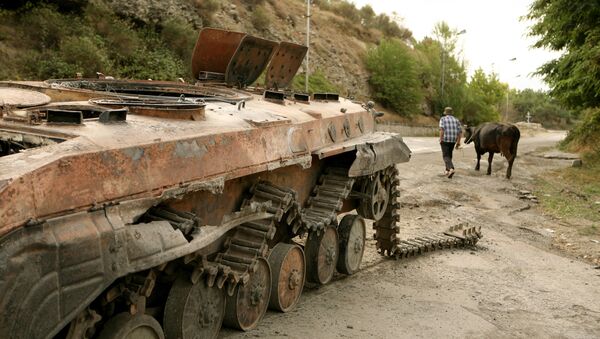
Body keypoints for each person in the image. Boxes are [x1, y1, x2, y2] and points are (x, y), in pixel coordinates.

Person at [439, 107, 462, 178]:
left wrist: (441, 139)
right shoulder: (456, 120)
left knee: (445, 156)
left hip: (445, 140)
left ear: (445, 113)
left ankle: (451, 169)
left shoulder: (443, 119)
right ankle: (447, 170)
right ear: (451, 113)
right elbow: (460, 132)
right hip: (453, 140)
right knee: (449, 155)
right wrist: (458, 142)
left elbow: (441, 130)